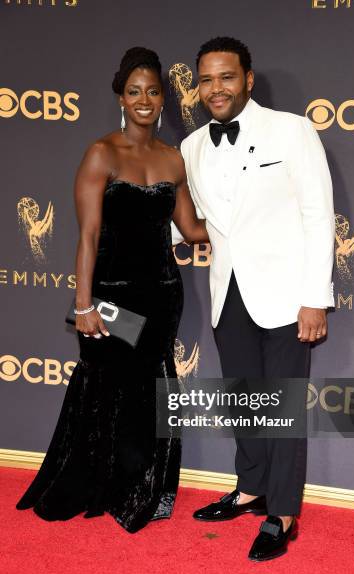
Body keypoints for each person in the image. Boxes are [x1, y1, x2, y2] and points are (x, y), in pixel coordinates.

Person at [16, 47, 209, 533]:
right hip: (110, 296)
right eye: (134, 91)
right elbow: (87, 235)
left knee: (152, 391)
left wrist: (252, 218)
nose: (144, 99)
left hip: (163, 293)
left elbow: (190, 230)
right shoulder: (101, 152)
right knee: (104, 386)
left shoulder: (172, 158)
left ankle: (142, 489)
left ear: (164, 97)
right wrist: (83, 304)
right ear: (121, 98)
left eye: (152, 90)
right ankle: (95, 483)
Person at [179, 37, 335, 561]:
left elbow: (318, 216)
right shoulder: (192, 146)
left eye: (226, 77)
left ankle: (283, 512)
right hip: (229, 294)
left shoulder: (292, 130)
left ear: (248, 78)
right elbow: (195, 225)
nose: (215, 88)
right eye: (205, 79)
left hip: (289, 296)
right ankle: (250, 489)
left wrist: (315, 298)